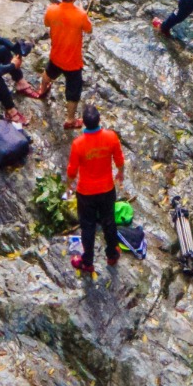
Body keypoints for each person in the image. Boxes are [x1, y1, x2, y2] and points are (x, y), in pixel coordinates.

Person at [66, 103, 126, 276]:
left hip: (86, 193)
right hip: (107, 189)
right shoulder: (111, 137)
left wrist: (69, 185)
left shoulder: (78, 144)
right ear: (99, 120)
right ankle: (112, 254)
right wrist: (120, 173)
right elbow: (119, 159)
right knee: (109, 221)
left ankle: (87, 262)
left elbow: (72, 170)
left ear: (84, 123)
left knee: (88, 227)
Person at [43, 0, 93, 126]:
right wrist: (82, 13)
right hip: (72, 62)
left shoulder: (51, 10)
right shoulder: (81, 15)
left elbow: (47, 23)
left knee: (48, 73)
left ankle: (42, 90)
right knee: (73, 91)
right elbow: (89, 30)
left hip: (56, 55)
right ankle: (70, 120)